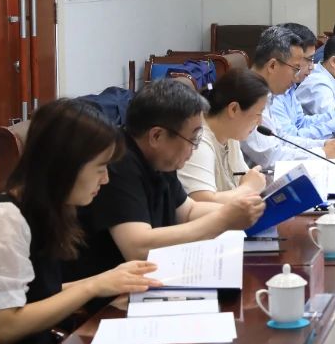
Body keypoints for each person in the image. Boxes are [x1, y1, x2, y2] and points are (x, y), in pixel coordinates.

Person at [0, 99, 163, 344]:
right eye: (100, 168)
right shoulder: (3, 219)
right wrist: (94, 286)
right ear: (65, 165)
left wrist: (111, 281)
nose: (105, 179)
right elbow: (6, 326)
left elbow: (36, 293)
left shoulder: (45, 210)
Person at [73, 79, 265, 277]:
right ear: (156, 136)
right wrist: (223, 219)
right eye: (193, 138)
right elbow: (138, 248)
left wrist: (248, 211)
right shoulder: (119, 163)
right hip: (107, 290)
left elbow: (188, 211)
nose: (194, 148)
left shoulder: (161, 159)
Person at [242, 25, 335, 169]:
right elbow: (270, 158)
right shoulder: (247, 97)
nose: (296, 77)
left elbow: (283, 139)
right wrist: (322, 153)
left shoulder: (266, 94)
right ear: (272, 66)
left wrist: (321, 144)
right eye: (295, 68)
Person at [178, 69, 270, 203]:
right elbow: (203, 201)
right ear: (233, 109)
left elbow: (243, 180)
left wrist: (253, 184)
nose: (260, 122)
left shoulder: (230, 134)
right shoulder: (198, 142)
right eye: (258, 114)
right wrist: (248, 188)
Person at [269, 22, 335, 140]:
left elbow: (301, 123)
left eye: (313, 59)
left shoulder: (289, 87)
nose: (312, 66)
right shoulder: (270, 93)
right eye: (308, 59)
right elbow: (289, 139)